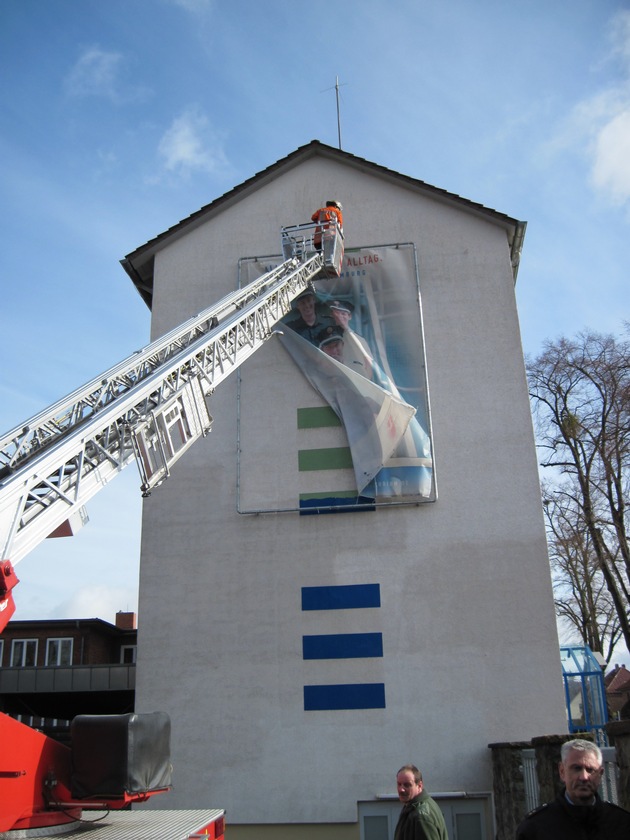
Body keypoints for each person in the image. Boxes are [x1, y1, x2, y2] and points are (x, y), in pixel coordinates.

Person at [515, 738, 630, 839]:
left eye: (590, 770)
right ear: (562, 771)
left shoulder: (621, 823)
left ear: (600, 774)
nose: (584, 777)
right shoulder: (536, 827)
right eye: (576, 768)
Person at [394, 764, 448, 840]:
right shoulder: (412, 807)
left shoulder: (421, 816)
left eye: (407, 785)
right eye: (399, 784)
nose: (401, 789)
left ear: (419, 786)